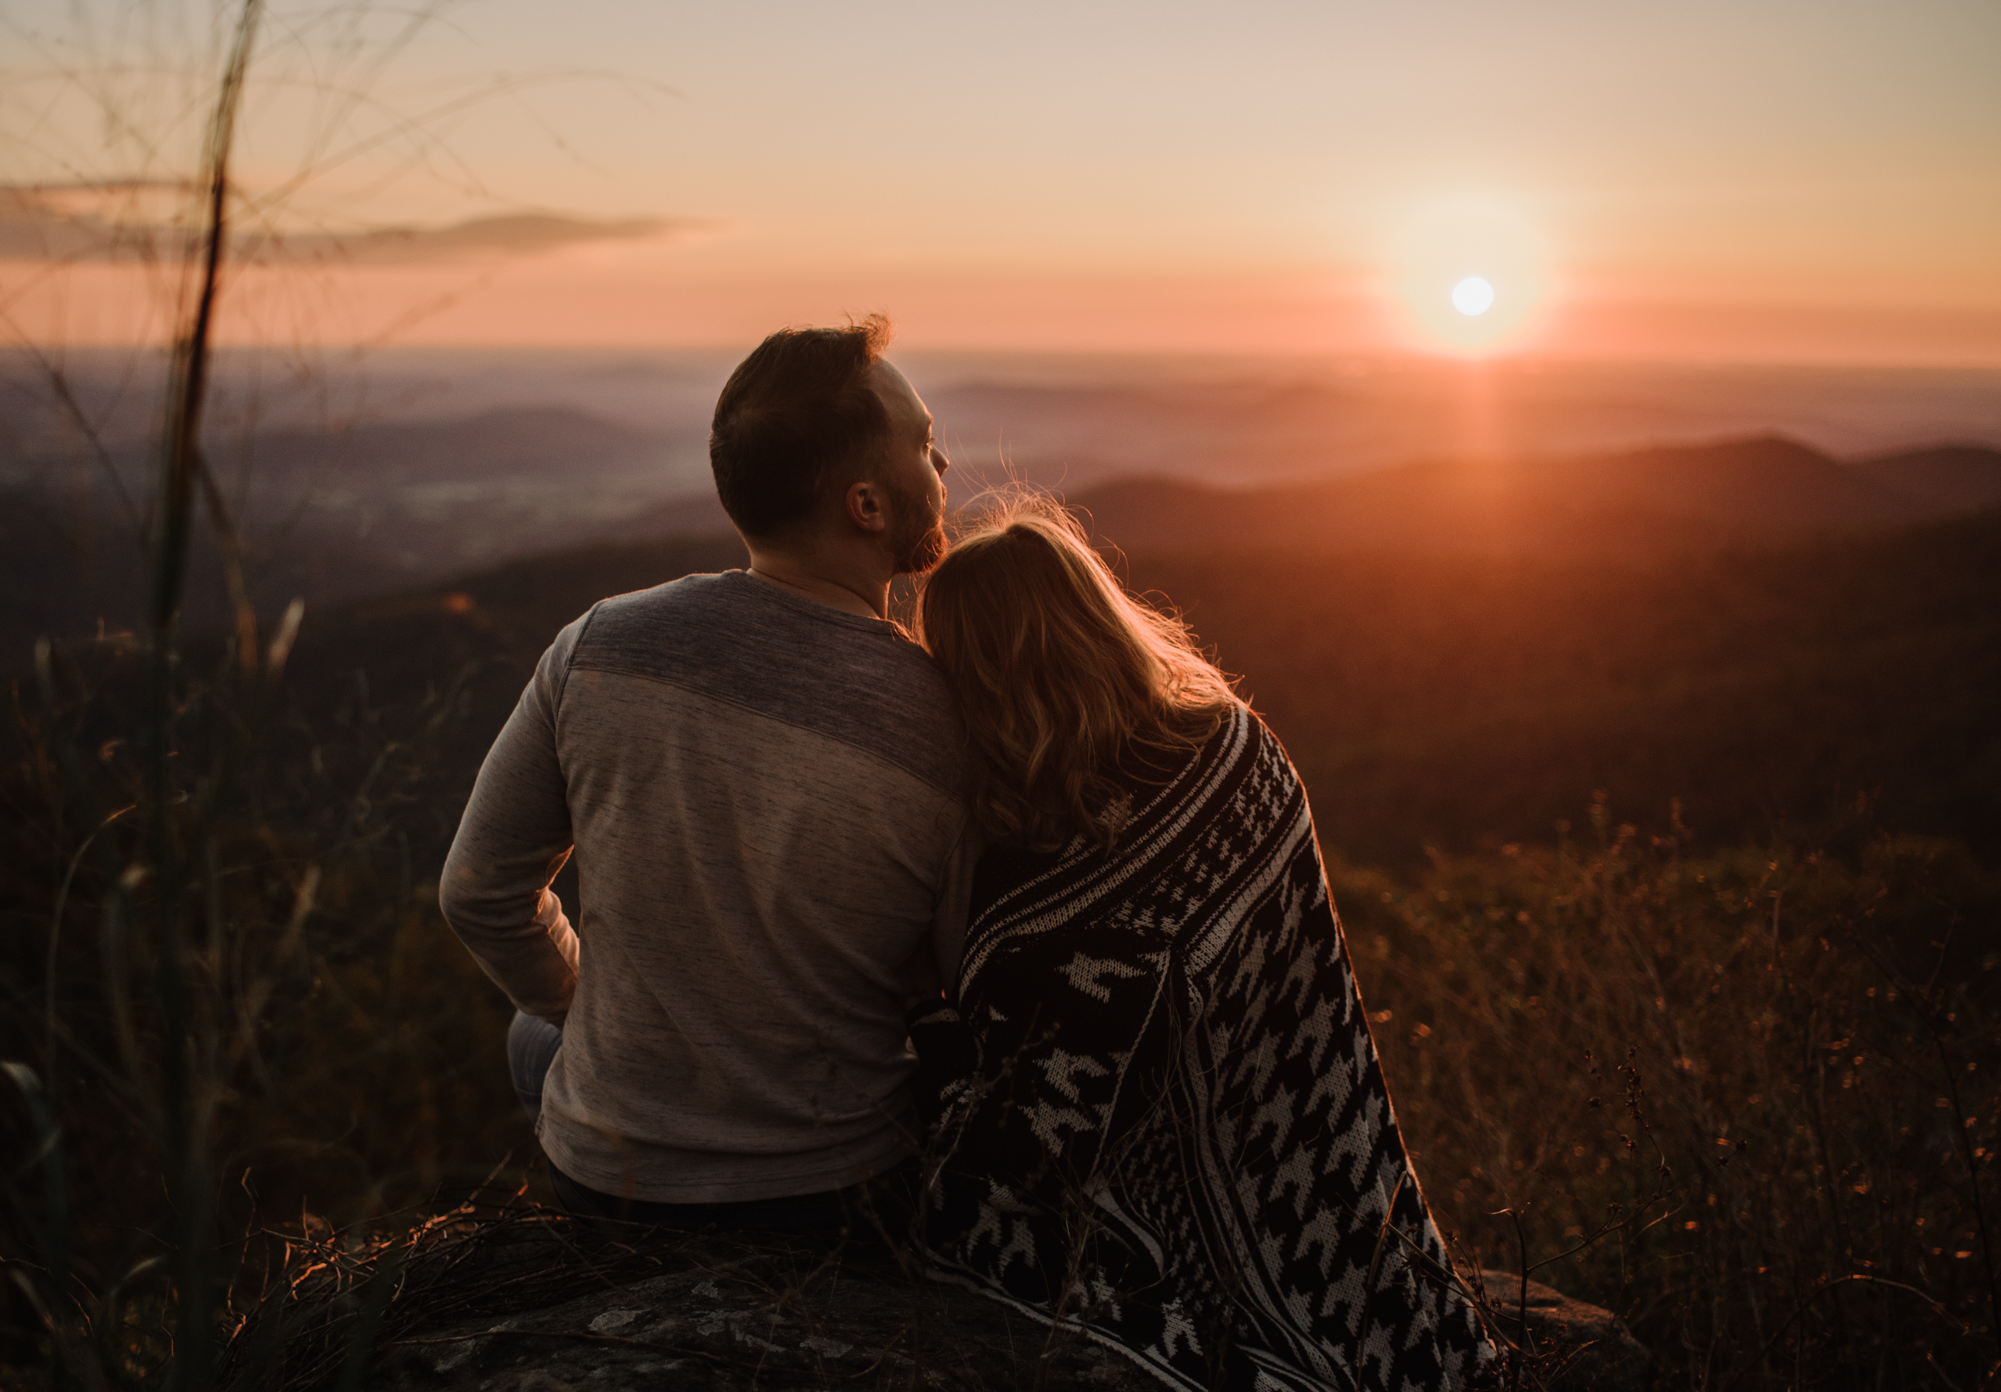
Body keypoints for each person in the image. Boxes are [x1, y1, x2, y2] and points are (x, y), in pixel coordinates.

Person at [908, 499, 1494, 1392]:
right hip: (1343, 1190)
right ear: (1096, 613)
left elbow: (1028, 1142)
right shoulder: (1234, 743)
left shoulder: (1025, 861)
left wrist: (920, 1016)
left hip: (1193, 1225)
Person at [439, 315, 970, 1236]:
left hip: (611, 1178)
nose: (944, 464)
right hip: (835, 1195)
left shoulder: (599, 643)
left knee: (535, 1033)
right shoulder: (945, 715)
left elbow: (479, 896)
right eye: (923, 446)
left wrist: (594, 1011)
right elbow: (961, 971)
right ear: (867, 506)